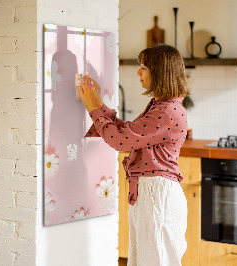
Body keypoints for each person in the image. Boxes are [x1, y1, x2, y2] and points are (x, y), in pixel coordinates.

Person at [76, 44, 189, 266]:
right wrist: (98, 103)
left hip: (157, 196)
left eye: (144, 67)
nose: (138, 72)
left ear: (160, 72)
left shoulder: (166, 111)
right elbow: (128, 133)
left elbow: (120, 141)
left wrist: (92, 108)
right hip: (151, 194)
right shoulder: (162, 106)